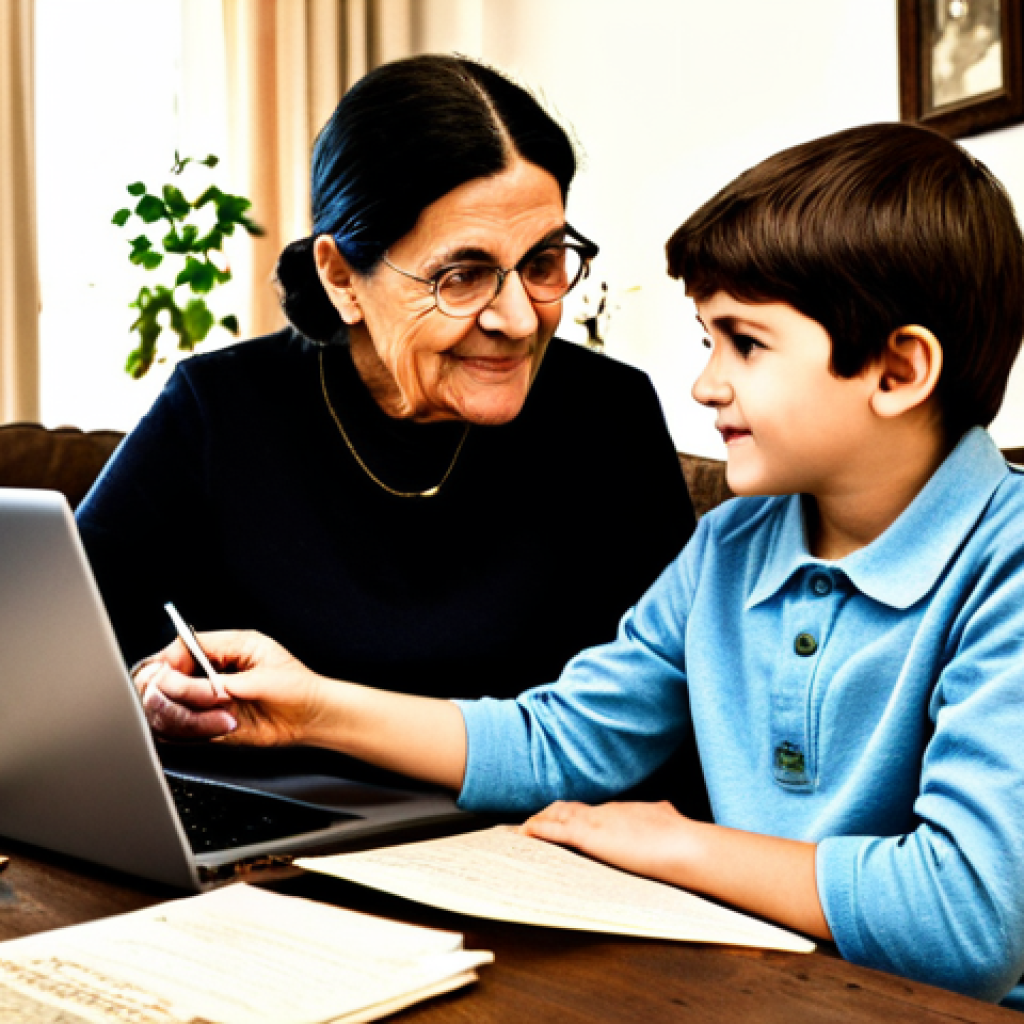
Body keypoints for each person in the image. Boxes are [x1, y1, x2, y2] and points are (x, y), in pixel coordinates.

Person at [135, 121, 1024, 1003]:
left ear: (900, 369)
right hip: (761, 986)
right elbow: (564, 737)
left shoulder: (1007, 564)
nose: (705, 384)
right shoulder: (731, 548)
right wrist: (315, 709)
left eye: (743, 344)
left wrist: (681, 845)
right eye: (709, 340)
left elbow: (966, 919)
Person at [77, 56, 694, 712]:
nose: (519, 320)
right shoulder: (219, 408)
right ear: (341, 276)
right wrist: (153, 684)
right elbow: (68, 645)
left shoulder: (610, 415)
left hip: (535, 812)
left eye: (542, 262)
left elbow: (678, 702)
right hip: (278, 807)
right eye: (461, 274)